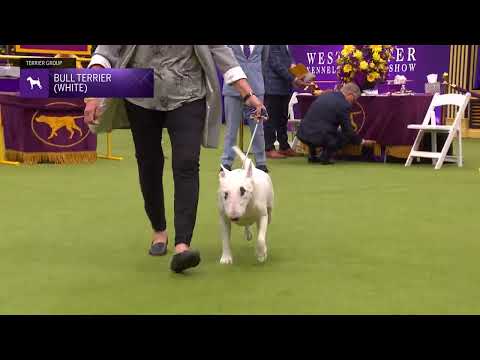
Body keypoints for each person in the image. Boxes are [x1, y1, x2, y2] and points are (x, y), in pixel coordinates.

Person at [83, 45, 266, 273]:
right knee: (149, 163)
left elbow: (219, 49)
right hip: (139, 90)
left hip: (188, 91)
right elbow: (106, 52)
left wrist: (247, 93)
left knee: (187, 164)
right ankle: (159, 230)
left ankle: (183, 245)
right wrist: (93, 94)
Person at [296, 82, 375, 165]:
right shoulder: (344, 105)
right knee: (344, 134)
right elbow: (348, 131)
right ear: (350, 95)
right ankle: (326, 157)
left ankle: (313, 156)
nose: (354, 102)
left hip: (302, 133)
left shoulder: (326, 94)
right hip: (318, 136)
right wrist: (363, 142)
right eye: (354, 99)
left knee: (320, 128)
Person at [220, 45, 269, 173]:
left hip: (256, 89)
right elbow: (223, 61)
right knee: (231, 129)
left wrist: (255, 77)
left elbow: (264, 60)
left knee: (258, 128)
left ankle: (261, 163)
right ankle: (226, 163)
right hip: (232, 90)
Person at [263, 45, 309, 159]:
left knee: (283, 118)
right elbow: (277, 65)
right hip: (272, 87)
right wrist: (294, 79)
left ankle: (284, 146)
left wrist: (303, 74)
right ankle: (269, 148)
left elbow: (290, 62)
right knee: (271, 118)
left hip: (284, 87)